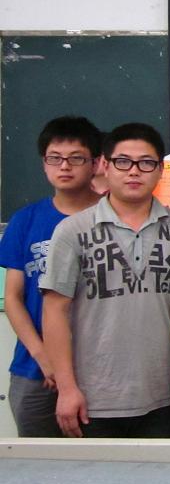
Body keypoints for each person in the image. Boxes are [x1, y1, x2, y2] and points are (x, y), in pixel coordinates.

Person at [41, 123, 170, 438]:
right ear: (105, 167)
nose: (134, 171)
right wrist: (67, 389)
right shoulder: (72, 231)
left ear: (161, 170)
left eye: (146, 163)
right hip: (93, 397)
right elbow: (54, 311)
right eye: (123, 162)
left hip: (164, 394)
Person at [1, 117, 102, 437]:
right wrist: (44, 357)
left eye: (76, 158)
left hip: (100, 370)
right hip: (35, 370)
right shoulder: (25, 220)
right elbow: (13, 298)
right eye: (55, 158)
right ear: (44, 163)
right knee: (39, 461)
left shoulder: (113, 217)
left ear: (96, 163)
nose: (65, 166)